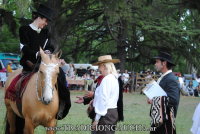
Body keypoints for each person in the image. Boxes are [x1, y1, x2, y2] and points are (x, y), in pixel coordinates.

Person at [18, 4, 71, 120]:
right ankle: (17, 104)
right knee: (18, 84)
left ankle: (62, 103)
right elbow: (23, 47)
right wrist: (38, 54)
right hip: (30, 64)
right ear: (39, 17)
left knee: (60, 74)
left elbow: (51, 47)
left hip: (44, 63)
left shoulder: (46, 32)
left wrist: (47, 51)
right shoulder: (24, 30)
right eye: (45, 20)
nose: (46, 23)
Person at [75, 55, 124, 134]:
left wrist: (96, 119)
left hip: (105, 115)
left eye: (99, 66)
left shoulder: (107, 79)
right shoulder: (113, 78)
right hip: (111, 113)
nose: (98, 68)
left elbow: (103, 100)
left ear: (104, 66)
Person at [147, 51, 180, 134]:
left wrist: (154, 99)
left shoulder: (171, 79)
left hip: (166, 122)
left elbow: (173, 100)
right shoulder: (163, 77)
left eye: (157, 61)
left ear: (164, 63)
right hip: (158, 119)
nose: (155, 64)